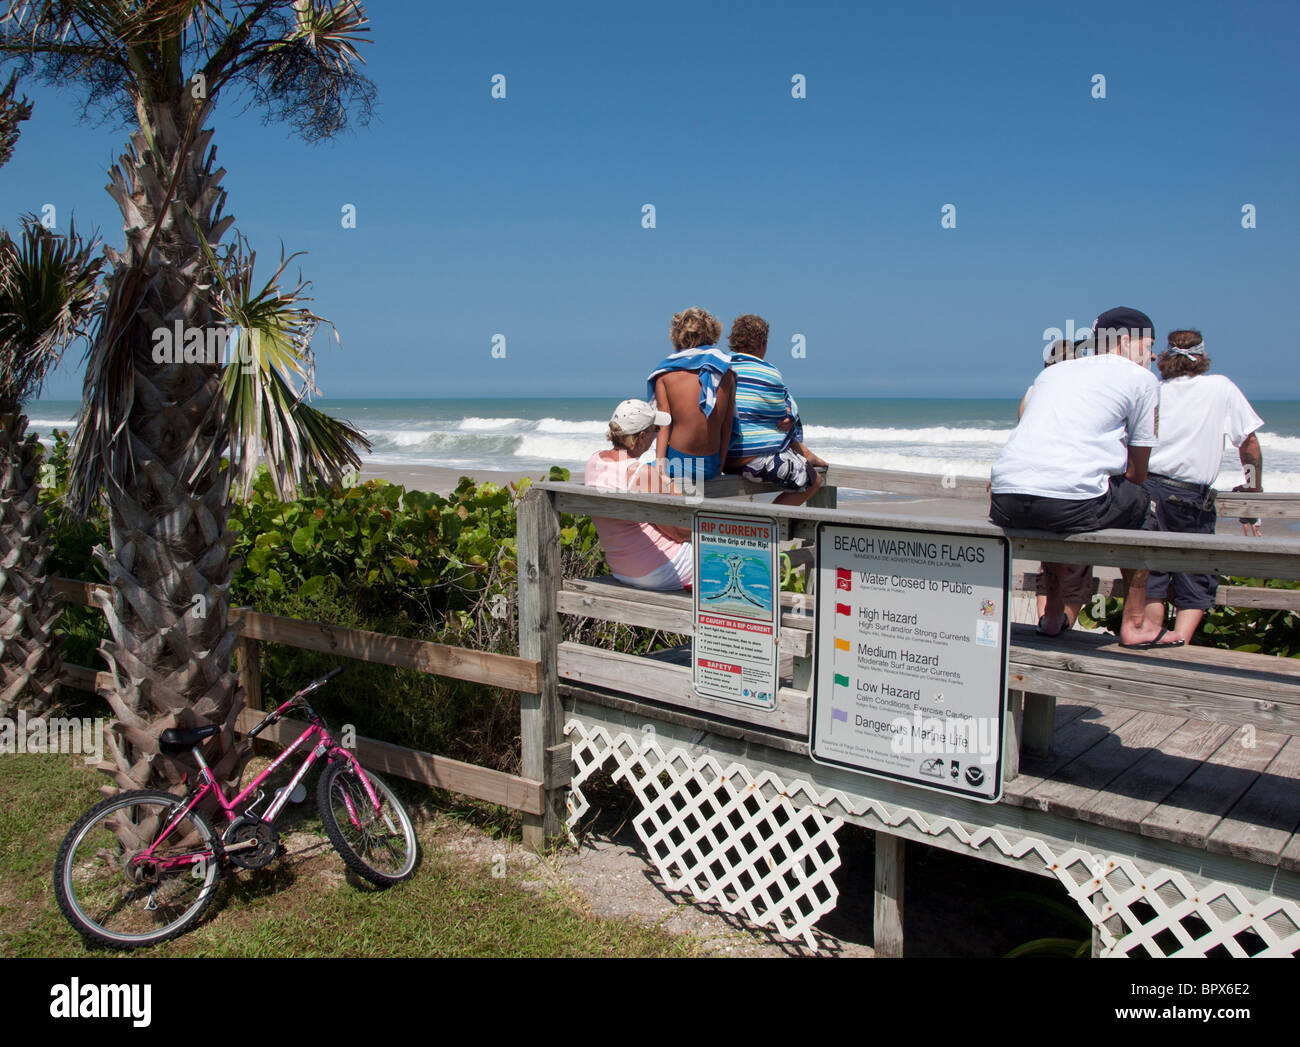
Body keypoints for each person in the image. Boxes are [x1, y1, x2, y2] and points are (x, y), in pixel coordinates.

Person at [989, 306, 1182, 649]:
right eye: (1149, 344)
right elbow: (1137, 474)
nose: (1153, 354)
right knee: (1142, 506)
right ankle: (1136, 624)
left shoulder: (1055, 373)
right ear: (1125, 342)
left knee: (1058, 505)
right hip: (1065, 504)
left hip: (1005, 500)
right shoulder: (1142, 380)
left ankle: (1051, 616)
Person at [1140, 330, 1264, 643]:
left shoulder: (1155, 390)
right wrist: (1253, 488)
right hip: (1188, 495)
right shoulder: (1220, 387)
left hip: (1147, 490)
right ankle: (1179, 647)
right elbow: (1248, 443)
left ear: (1167, 357)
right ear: (1203, 356)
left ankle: (1153, 642)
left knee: (1149, 575)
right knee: (1194, 576)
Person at [1022, 338, 1097, 633]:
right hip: (1072, 488)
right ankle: (1059, 624)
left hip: (1036, 487)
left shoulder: (1035, 391)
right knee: (1076, 562)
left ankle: (1046, 621)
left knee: (1049, 559)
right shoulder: (1084, 394)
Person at [584, 398, 694, 591]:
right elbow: (679, 530)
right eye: (655, 430)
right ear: (642, 437)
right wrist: (673, 488)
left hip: (622, 569)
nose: (656, 437)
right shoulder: (640, 473)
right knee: (726, 550)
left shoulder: (594, 461)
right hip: (659, 570)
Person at [721, 314, 829, 506]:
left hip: (725, 460)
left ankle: (804, 453)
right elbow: (781, 420)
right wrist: (789, 415)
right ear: (762, 343)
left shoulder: (721, 368)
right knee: (813, 481)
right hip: (755, 461)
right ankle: (764, 528)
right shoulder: (768, 372)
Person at [646, 307, 736, 488]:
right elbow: (728, 425)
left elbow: (664, 425)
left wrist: (660, 470)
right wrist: (719, 467)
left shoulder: (665, 375)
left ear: (678, 335)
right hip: (711, 465)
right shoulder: (726, 373)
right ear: (712, 333)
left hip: (676, 463)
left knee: (631, 475)